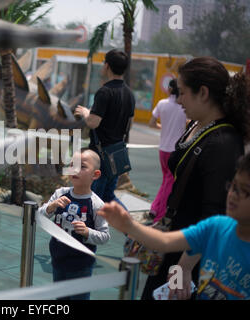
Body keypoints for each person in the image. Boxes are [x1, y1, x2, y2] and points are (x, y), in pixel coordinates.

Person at [139, 57, 250, 300]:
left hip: (189, 255)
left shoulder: (223, 143)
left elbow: (215, 211)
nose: (178, 100)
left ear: (203, 92)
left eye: (182, 93)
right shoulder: (199, 126)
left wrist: (184, 266)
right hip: (178, 244)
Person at [98, 151, 250, 300]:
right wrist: (129, 226)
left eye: (244, 191)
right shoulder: (217, 226)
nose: (233, 195)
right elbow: (165, 242)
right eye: (233, 186)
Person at [37, 148, 110, 300]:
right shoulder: (60, 194)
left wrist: (87, 232)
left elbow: (104, 236)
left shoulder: (97, 204)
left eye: (82, 166)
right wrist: (52, 206)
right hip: (57, 258)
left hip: (81, 265)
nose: (75, 169)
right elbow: (38, 216)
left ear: (95, 175)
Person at [74, 49, 135, 209]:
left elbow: (93, 122)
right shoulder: (129, 93)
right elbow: (130, 124)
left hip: (100, 156)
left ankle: (81, 232)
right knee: (108, 196)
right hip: (116, 153)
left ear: (107, 65)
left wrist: (86, 112)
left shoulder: (104, 91)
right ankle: (130, 228)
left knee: (93, 198)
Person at [148, 79, 187, 222]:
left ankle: (154, 207)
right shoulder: (184, 107)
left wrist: (163, 127)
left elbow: (151, 123)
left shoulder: (162, 104)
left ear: (170, 89)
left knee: (166, 179)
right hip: (175, 150)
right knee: (170, 181)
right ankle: (160, 214)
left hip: (162, 148)